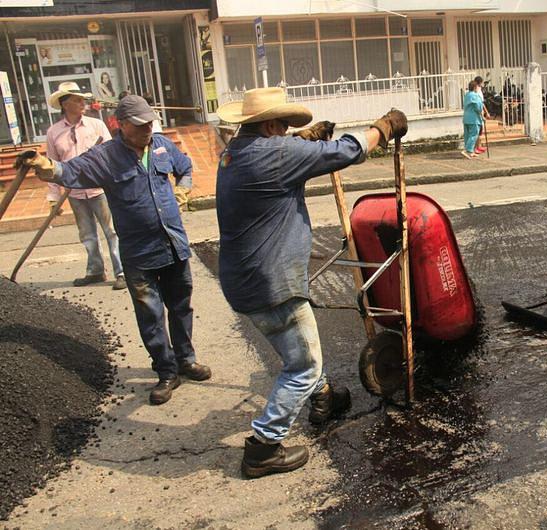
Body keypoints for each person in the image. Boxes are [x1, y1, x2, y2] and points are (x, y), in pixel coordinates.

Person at [215, 87, 407, 478]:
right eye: (283, 126)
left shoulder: (233, 154)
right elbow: (348, 150)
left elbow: (276, 157)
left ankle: (324, 399)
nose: (287, 132)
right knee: (303, 364)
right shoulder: (276, 153)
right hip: (272, 284)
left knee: (294, 348)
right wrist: (384, 127)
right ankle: (263, 446)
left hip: (243, 279)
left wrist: (298, 141)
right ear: (269, 125)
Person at [15, 95, 212, 406]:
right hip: (139, 253)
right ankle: (166, 370)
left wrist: (184, 188)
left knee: (181, 306)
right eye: (139, 124)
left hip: (174, 245)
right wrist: (45, 166)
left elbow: (185, 167)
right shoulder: (106, 156)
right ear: (120, 125)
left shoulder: (162, 145)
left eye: (149, 121)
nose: (147, 127)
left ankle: (186, 360)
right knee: (150, 315)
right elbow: (70, 172)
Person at [45, 81, 125, 290]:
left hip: (99, 189)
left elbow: (112, 154)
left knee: (112, 231)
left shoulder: (96, 126)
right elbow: (52, 167)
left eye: (82, 99)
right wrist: (53, 199)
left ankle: (122, 272)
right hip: (74, 192)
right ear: (65, 104)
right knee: (87, 234)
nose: (82, 103)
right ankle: (95, 270)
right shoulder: (54, 133)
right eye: (76, 100)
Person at [462, 80, 483, 159]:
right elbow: (478, 107)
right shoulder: (475, 95)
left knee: (467, 135)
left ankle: (471, 152)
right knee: (474, 134)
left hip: (466, 118)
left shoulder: (467, 95)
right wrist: (481, 115)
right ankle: (467, 150)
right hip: (473, 118)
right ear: (475, 87)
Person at [473, 76, 490, 154]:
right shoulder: (477, 92)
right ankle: (476, 148)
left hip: (480, 112)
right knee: (478, 131)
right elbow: (480, 103)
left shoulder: (478, 90)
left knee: (480, 131)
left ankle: (478, 146)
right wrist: (486, 112)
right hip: (478, 113)